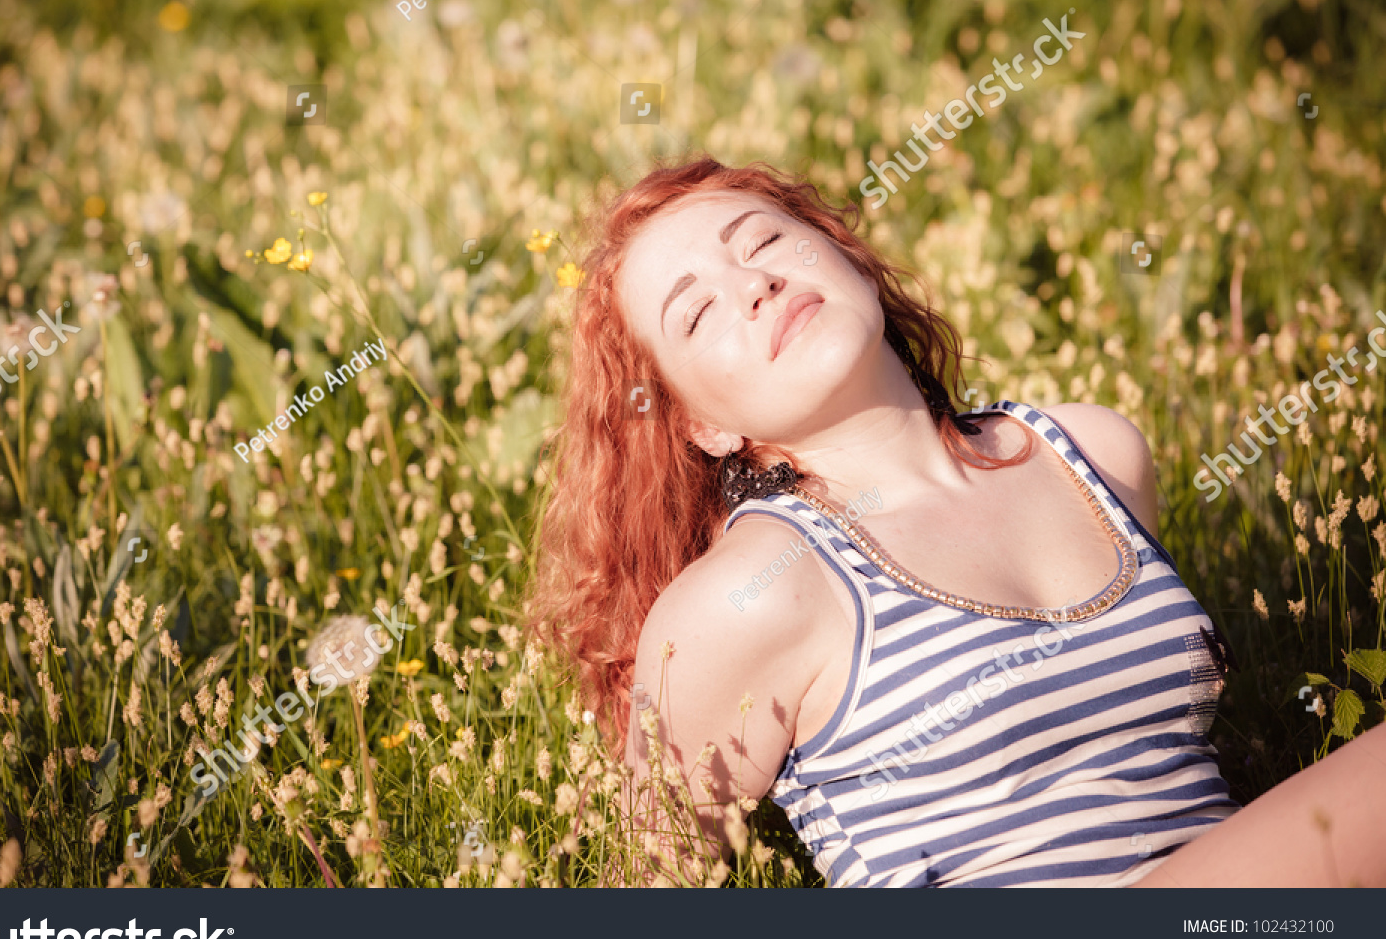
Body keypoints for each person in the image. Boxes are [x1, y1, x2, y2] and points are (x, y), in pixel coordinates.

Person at [525, 156, 1386, 887]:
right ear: (699, 426)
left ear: (849, 257)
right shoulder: (749, 597)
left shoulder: (1091, 455)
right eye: (699, 313)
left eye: (765, 242)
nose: (753, 285)